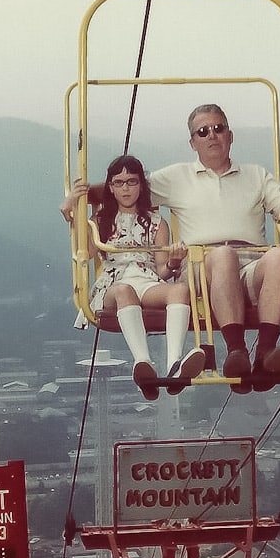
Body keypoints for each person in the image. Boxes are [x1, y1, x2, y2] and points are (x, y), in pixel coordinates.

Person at [62, 104, 280, 395]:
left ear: (230, 135)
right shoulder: (178, 177)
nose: (212, 136)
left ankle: (266, 353)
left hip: (250, 264)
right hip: (201, 270)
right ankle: (236, 350)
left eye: (218, 129)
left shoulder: (256, 175)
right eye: (203, 132)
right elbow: (127, 187)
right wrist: (75, 198)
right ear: (193, 142)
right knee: (223, 255)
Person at [62, 154, 205, 401]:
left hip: (147, 279)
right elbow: (84, 252)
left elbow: (161, 270)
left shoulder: (157, 224)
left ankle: (174, 364)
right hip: (114, 283)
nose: (126, 188)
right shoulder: (100, 221)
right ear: (111, 187)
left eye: (132, 181)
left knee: (179, 290)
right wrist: (71, 209)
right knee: (124, 290)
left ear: (141, 185)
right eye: (119, 182)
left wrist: (172, 262)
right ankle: (143, 362)